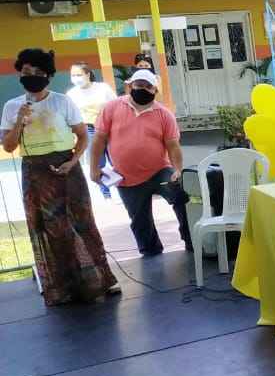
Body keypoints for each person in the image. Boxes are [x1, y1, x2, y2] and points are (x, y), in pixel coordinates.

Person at [1, 48, 119, 303]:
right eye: (26, 72)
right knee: (49, 228)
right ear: (19, 74)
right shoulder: (12, 107)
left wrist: (72, 161)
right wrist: (20, 120)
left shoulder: (62, 102)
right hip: (35, 173)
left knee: (81, 222)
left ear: (48, 75)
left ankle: (100, 280)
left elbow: (82, 135)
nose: (31, 76)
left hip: (67, 168)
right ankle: (63, 287)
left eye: (37, 72)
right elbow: (9, 146)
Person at [90, 69, 192, 257]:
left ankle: (191, 240)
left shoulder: (164, 114)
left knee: (181, 197)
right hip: (126, 175)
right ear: (130, 86)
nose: (143, 89)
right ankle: (151, 253)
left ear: (155, 91)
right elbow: (98, 139)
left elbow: (173, 145)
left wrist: (177, 169)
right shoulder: (111, 108)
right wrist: (94, 167)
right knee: (139, 219)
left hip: (159, 170)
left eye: (148, 86)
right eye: (139, 85)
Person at [66, 60, 117, 199]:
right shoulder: (72, 94)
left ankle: (125, 189)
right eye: (73, 75)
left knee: (116, 160)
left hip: (110, 128)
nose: (75, 78)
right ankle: (106, 194)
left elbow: (116, 106)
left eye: (78, 74)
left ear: (87, 74)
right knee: (98, 163)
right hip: (90, 129)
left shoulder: (103, 88)